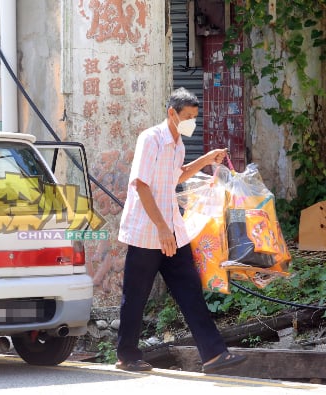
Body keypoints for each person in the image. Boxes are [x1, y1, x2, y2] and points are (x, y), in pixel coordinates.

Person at [115, 87, 246, 373]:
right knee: (136, 295)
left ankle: (213, 354)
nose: (192, 123)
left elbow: (177, 175)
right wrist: (161, 228)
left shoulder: (178, 145)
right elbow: (141, 185)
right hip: (148, 232)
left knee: (190, 291)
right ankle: (127, 355)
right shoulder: (150, 139)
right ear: (171, 113)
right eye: (187, 117)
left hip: (173, 230)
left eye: (194, 118)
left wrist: (208, 158)